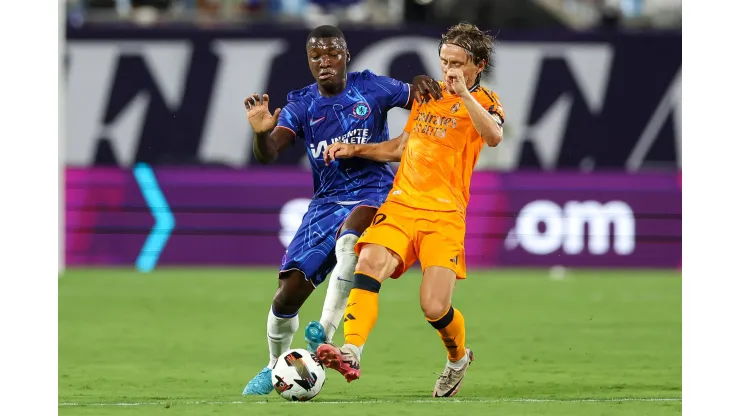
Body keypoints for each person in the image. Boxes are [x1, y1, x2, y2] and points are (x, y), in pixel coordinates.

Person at [242, 24, 441, 395]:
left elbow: (424, 98)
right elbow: (269, 153)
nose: (325, 61)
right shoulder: (302, 103)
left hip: (373, 191)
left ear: (346, 54)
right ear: (308, 61)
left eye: (332, 53)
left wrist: (418, 80)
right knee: (287, 294)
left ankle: (325, 330)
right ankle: (273, 367)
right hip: (326, 201)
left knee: (352, 240)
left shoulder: (372, 87)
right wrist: (259, 132)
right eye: (316, 56)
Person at [316, 22, 505, 398]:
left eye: (457, 63)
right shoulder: (426, 96)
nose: (448, 69)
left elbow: (494, 136)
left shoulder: (485, 101)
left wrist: (465, 95)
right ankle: (352, 350)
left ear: (477, 65)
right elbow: (405, 146)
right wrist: (355, 149)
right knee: (367, 262)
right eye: (443, 60)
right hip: (402, 204)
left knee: (434, 307)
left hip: (445, 214)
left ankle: (457, 358)